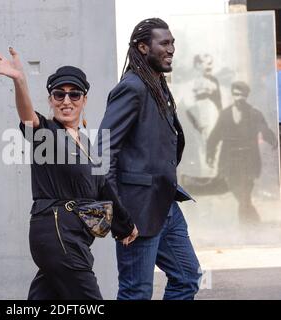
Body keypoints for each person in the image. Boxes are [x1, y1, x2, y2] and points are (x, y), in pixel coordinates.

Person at [0, 47, 138, 299]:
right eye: (59, 94)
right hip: (58, 234)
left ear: (84, 100)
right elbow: (28, 118)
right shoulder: (47, 134)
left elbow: (103, 188)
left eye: (74, 94)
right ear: (51, 99)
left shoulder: (87, 144)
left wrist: (126, 224)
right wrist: (20, 81)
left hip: (73, 238)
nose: (67, 101)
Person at [97, 18, 202, 300]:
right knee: (136, 293)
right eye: (164, 43)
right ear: (143, 47)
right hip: (137, 211)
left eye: (173, 43)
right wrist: (119, 216)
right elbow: (103, 153)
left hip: (165, 204)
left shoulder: (157, 86)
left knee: (187, 277)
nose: (171, 49)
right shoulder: (132, 88)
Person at [183, 81, 277, 224]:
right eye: (236, 94)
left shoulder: (254, 113)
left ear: (246, 96)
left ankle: (250, 226)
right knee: (242, 196)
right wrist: (210, 154)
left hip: (248, 162)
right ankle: (251, 225)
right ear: (233, 95)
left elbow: (265, 131)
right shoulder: (225, 114)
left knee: (243, 195)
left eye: (242, 95)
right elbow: (215, 136)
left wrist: (274, 142)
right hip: (229, 162)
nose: (239, 97)